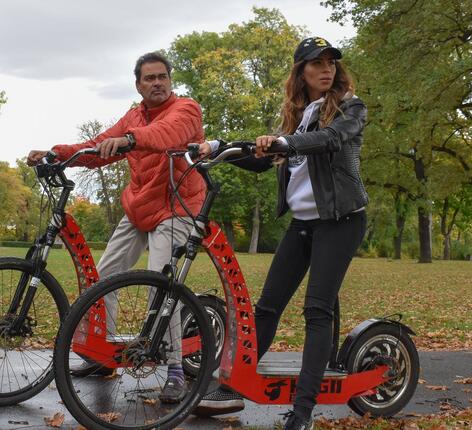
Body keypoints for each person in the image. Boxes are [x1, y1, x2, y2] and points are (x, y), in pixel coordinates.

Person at [194, 37, 368, 430]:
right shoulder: (298, 115)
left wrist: (285, 143)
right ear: (301, 71)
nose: (327, 69)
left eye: (331, 63)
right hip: (303, 223)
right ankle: (231, 387)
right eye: (317, 63)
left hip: (340, 221)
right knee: (267, 307)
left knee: (317, 310)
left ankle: (302, 412)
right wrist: (218, 148)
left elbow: (331, 139)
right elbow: (263, 158)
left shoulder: (351, 107)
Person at [27, 52, 206, 403]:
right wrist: (56, 154)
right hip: (139, 207)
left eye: (162, 77)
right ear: (138, 85)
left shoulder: (186, 109)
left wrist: (130, 139)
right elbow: (97, 147)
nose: (157, 83)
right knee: (103, 276)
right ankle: (103, 354)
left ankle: (174, 368)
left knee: (161, 285)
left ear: (170, 80)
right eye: (149, 78)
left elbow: (165, 134)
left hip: (177, 207)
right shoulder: (133, 116)